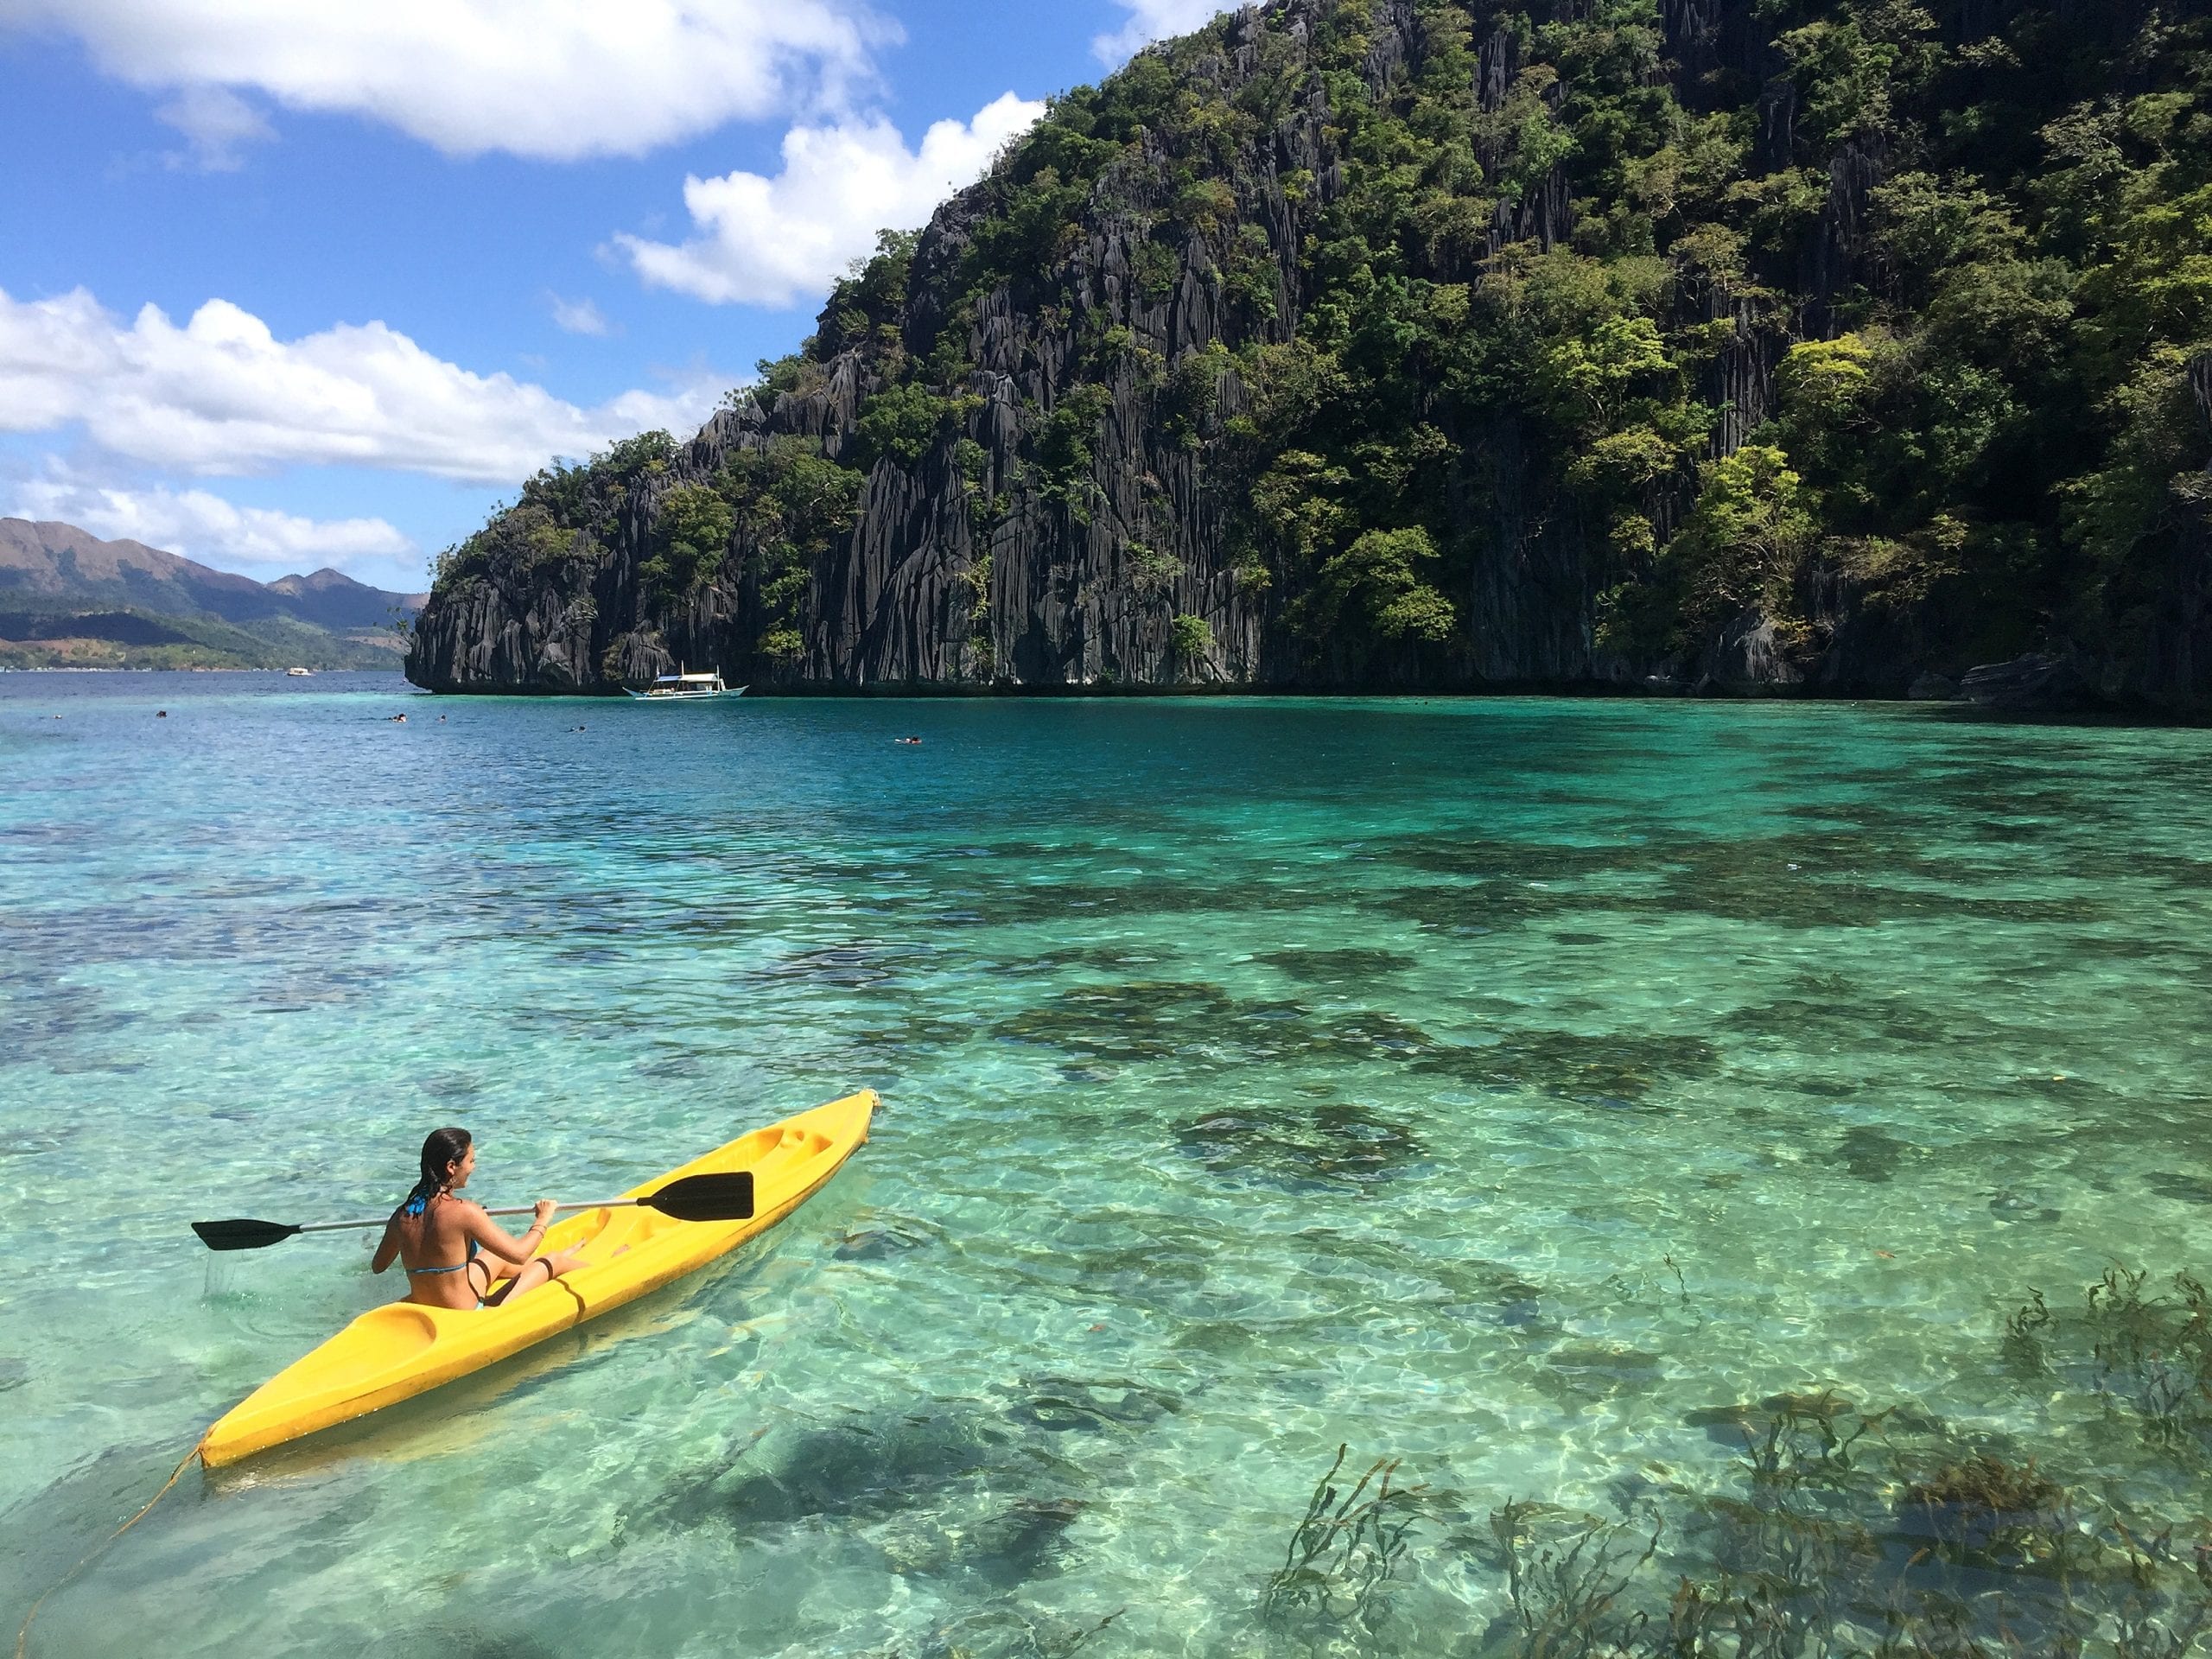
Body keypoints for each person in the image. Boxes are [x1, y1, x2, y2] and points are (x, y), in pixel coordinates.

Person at [372, 1128, 582, 1309]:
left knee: (493, 1255)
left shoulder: (402, 1215)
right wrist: (543, 1217)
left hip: (429, 1306)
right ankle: (586, 1268)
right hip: (467, 1312)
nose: (473, 1167)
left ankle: (554, 1259)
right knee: (552, 1260)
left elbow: (378, 1266)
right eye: (471, 1161)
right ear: (451, 1166)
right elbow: (519, 1255)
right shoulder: (465, 1212)